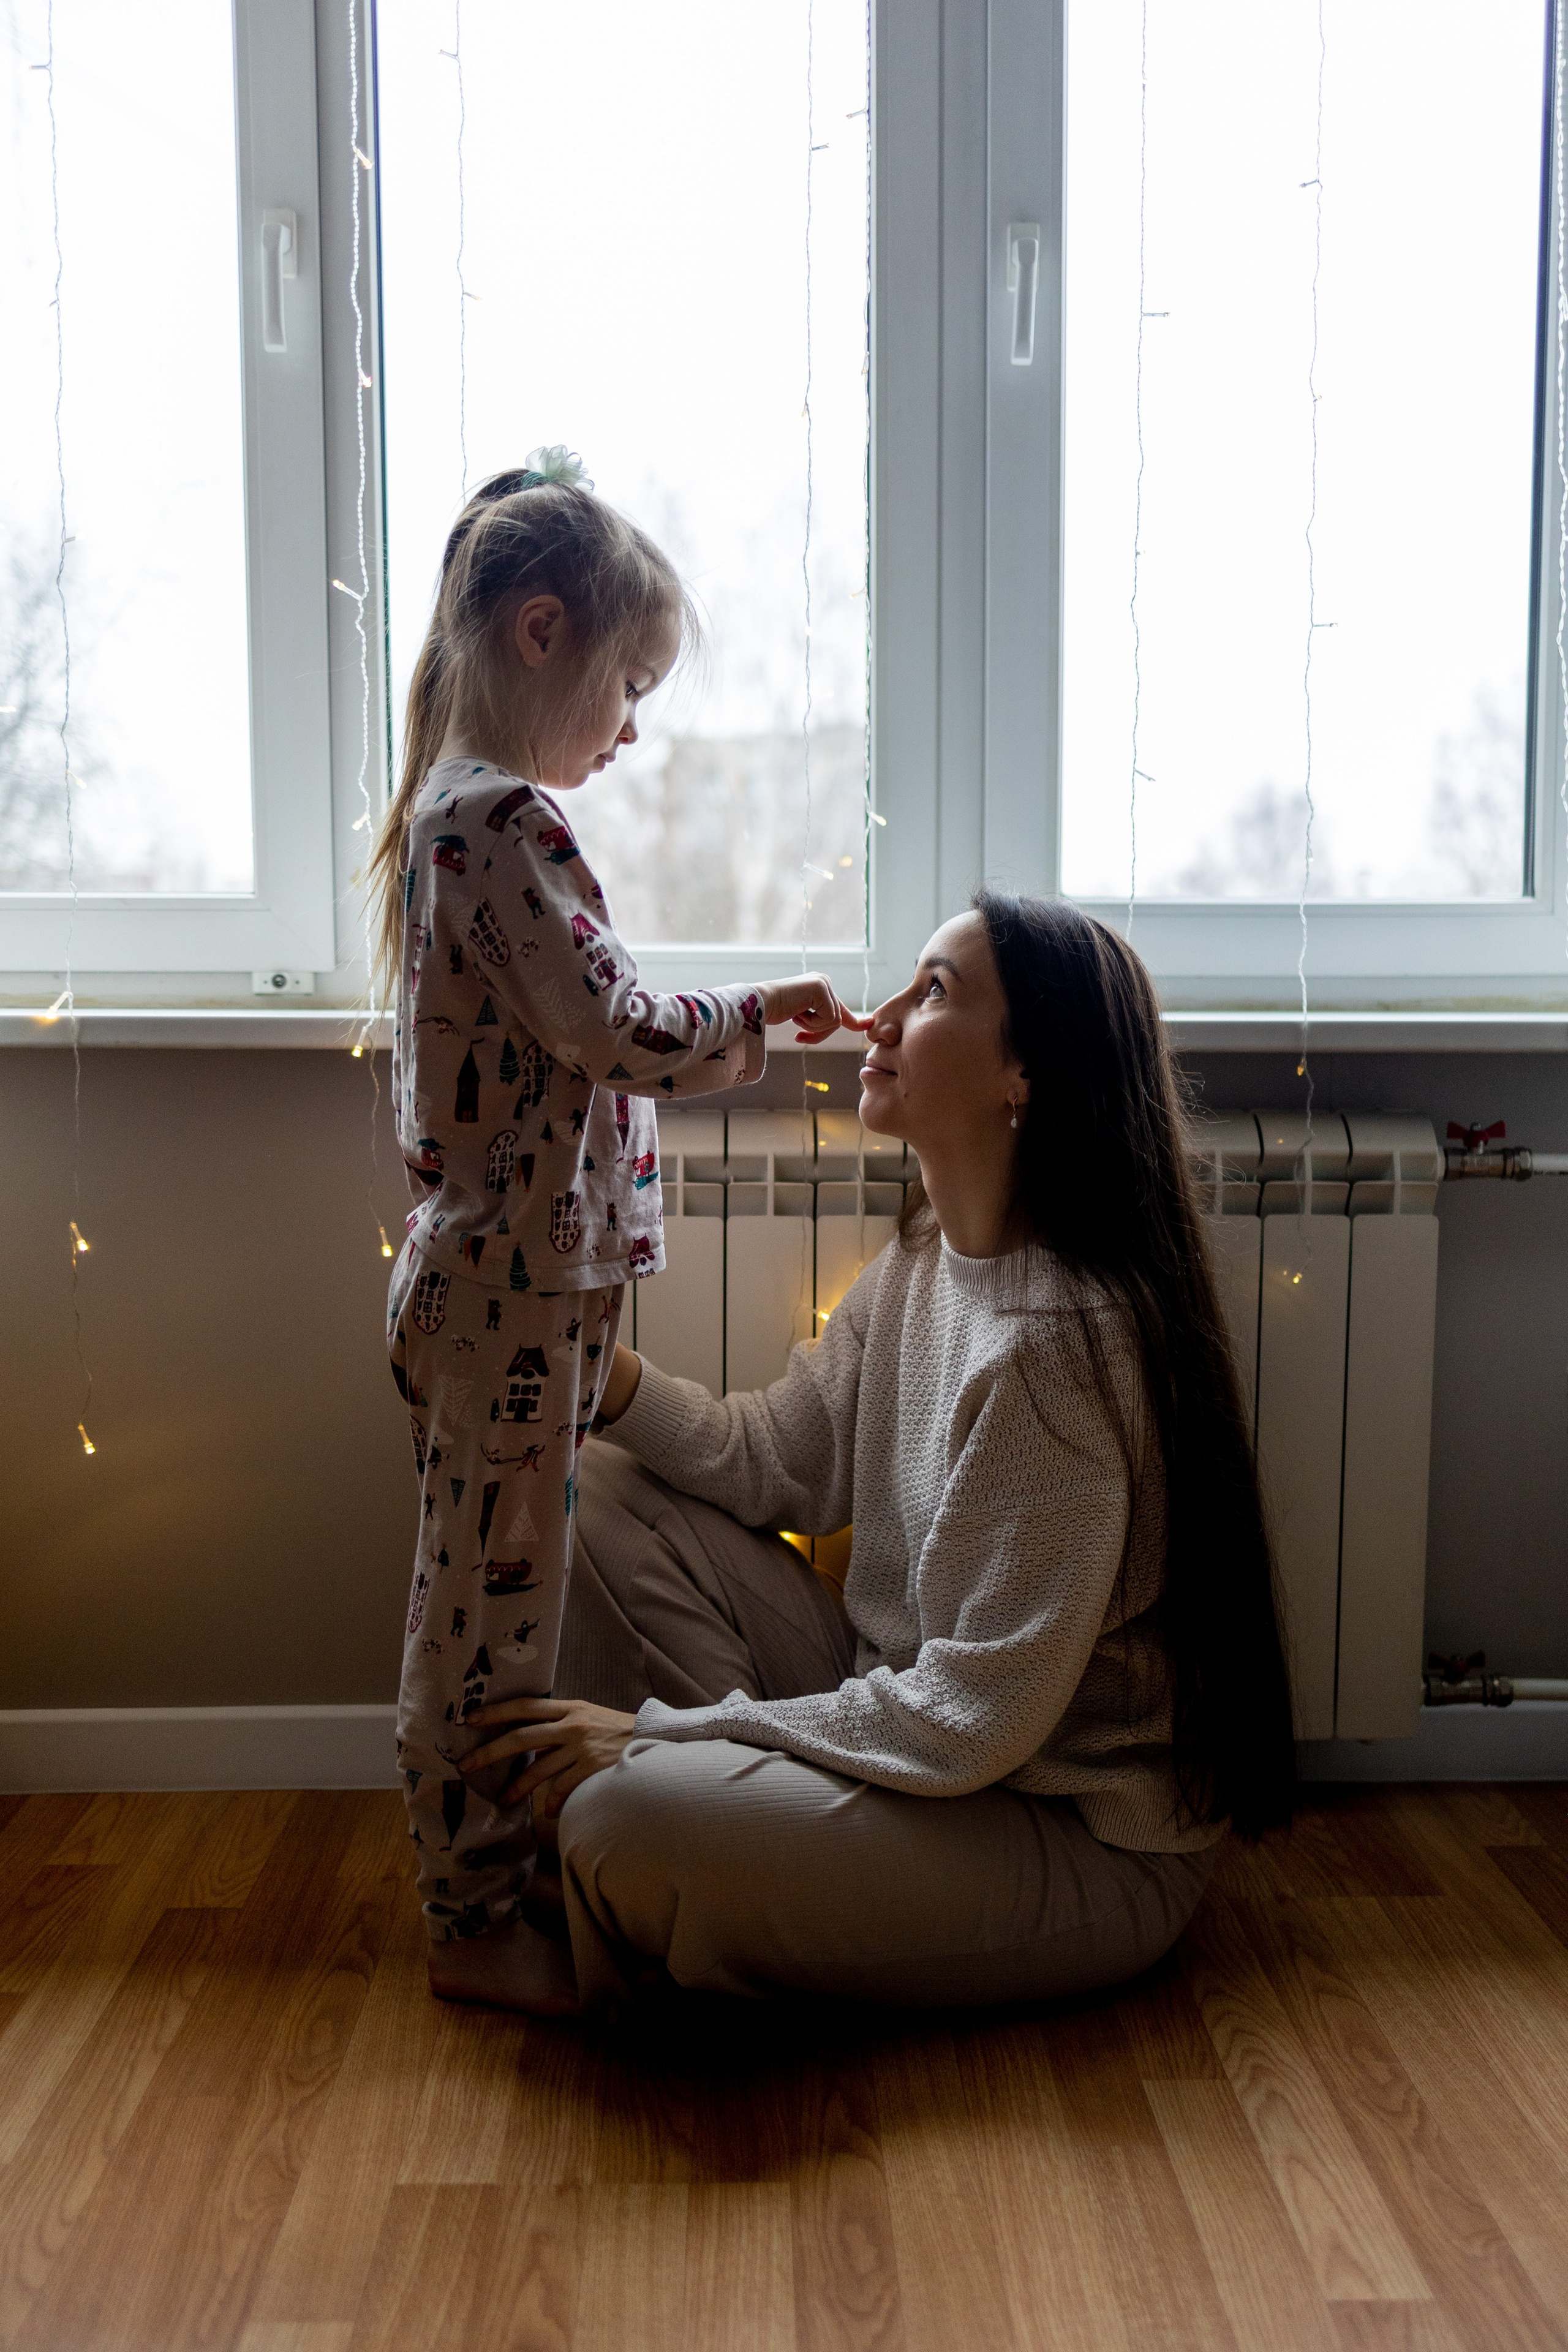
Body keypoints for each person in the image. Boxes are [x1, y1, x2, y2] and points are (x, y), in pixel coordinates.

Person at [456, 891, 1297, 2016]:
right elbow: (775, 1463)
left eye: (935, 992)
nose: (884, 1017)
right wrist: (600, 1383)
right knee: (598, 1483)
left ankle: (682, 1849)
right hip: (901, 1714)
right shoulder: (924, 1260)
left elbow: (971, 1722)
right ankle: (714, 1832)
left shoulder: (1053, 1351)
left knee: (623, 1820)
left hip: (1055, 1826)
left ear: (1024, 1078)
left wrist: (667, 1737)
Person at [369, 446, 868, 1999]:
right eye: (628, 686)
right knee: (484, 1629)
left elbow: (578, 1031)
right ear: (541, 634)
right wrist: (759, 1019)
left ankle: (483, 1896)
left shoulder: (469, 823)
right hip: (510, 1297)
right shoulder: (500, 822)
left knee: (484, 1602)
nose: (634, 728)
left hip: (523, 1291)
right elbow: (615, 1032)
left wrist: (728, 1022)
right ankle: (473, 1923)